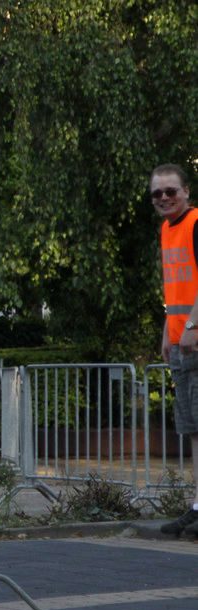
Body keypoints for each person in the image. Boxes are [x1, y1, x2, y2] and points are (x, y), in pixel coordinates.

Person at [151, 164, 198, 537]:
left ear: (185, 192)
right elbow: (177, 287)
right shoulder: (166, 230)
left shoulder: (196, 224)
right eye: (157, 193)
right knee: (194, 430)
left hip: (195, 341)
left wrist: (193, 327)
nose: (164, 198)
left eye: (171, 191)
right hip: (182, 345)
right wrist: (169, 329)